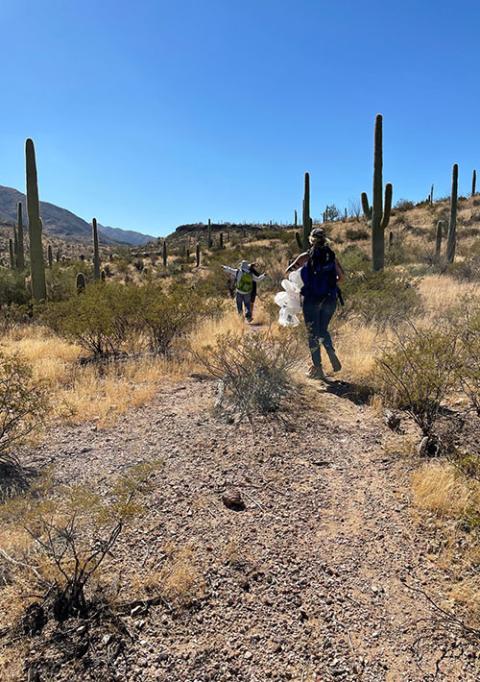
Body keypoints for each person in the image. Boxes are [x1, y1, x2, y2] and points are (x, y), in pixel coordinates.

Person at [286, 228, 344, 379]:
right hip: (330, 298)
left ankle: (317, 367)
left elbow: (289, 271)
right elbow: (341, 277)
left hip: (312, 299)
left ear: (311, 239)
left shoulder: (306, 256)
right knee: (323, 329)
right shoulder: (331, 256)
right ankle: (330, 351)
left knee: (312, 333)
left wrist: (295, 268)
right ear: (325, 239)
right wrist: (329, 284)